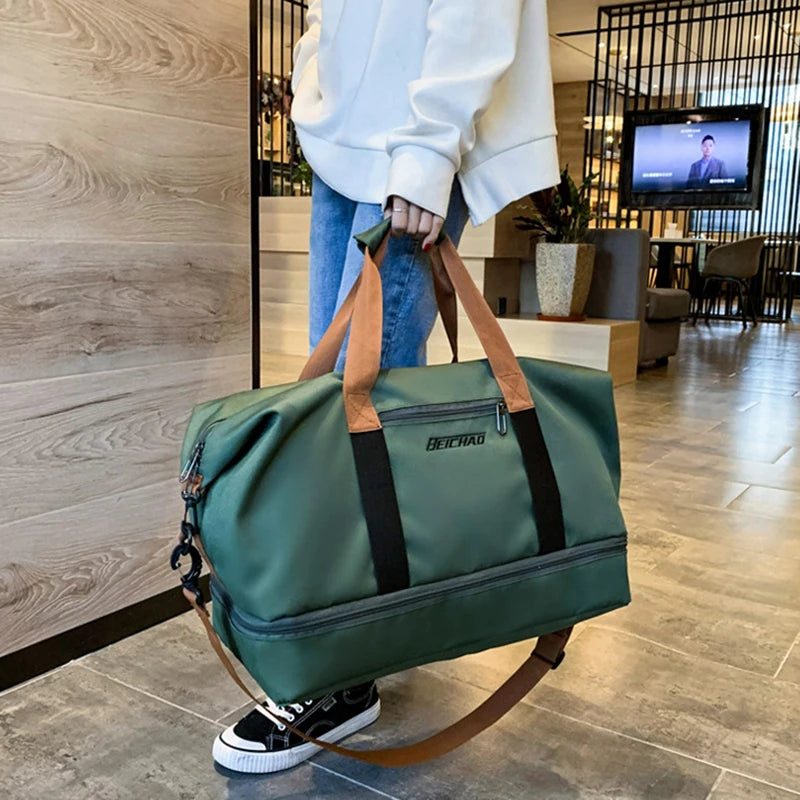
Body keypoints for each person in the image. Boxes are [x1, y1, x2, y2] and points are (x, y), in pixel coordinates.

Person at [212, 0, 560, 774]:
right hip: (350, 139)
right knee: (340, 404)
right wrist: (316, 79)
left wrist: (430, 149)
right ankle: (366, 628)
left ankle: (343, 671)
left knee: (352, 404)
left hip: (412, 137)